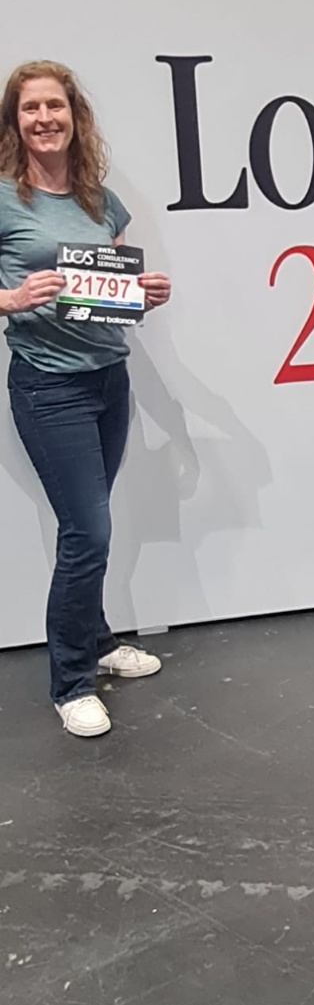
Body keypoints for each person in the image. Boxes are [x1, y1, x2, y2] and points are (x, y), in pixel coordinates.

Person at [0, 61, 172, 738]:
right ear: (14, 121)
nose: (44, 119)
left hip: (108, 378)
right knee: (88, 533)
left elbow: (116, 299)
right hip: (48, 386)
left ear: (75, 116)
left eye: (55, 106)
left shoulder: (100, 200)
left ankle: (97, 641)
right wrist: (12, 298)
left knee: (88, 528)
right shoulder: (3, 198)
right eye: (30, 108)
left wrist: (146, 297)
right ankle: (70, 682)